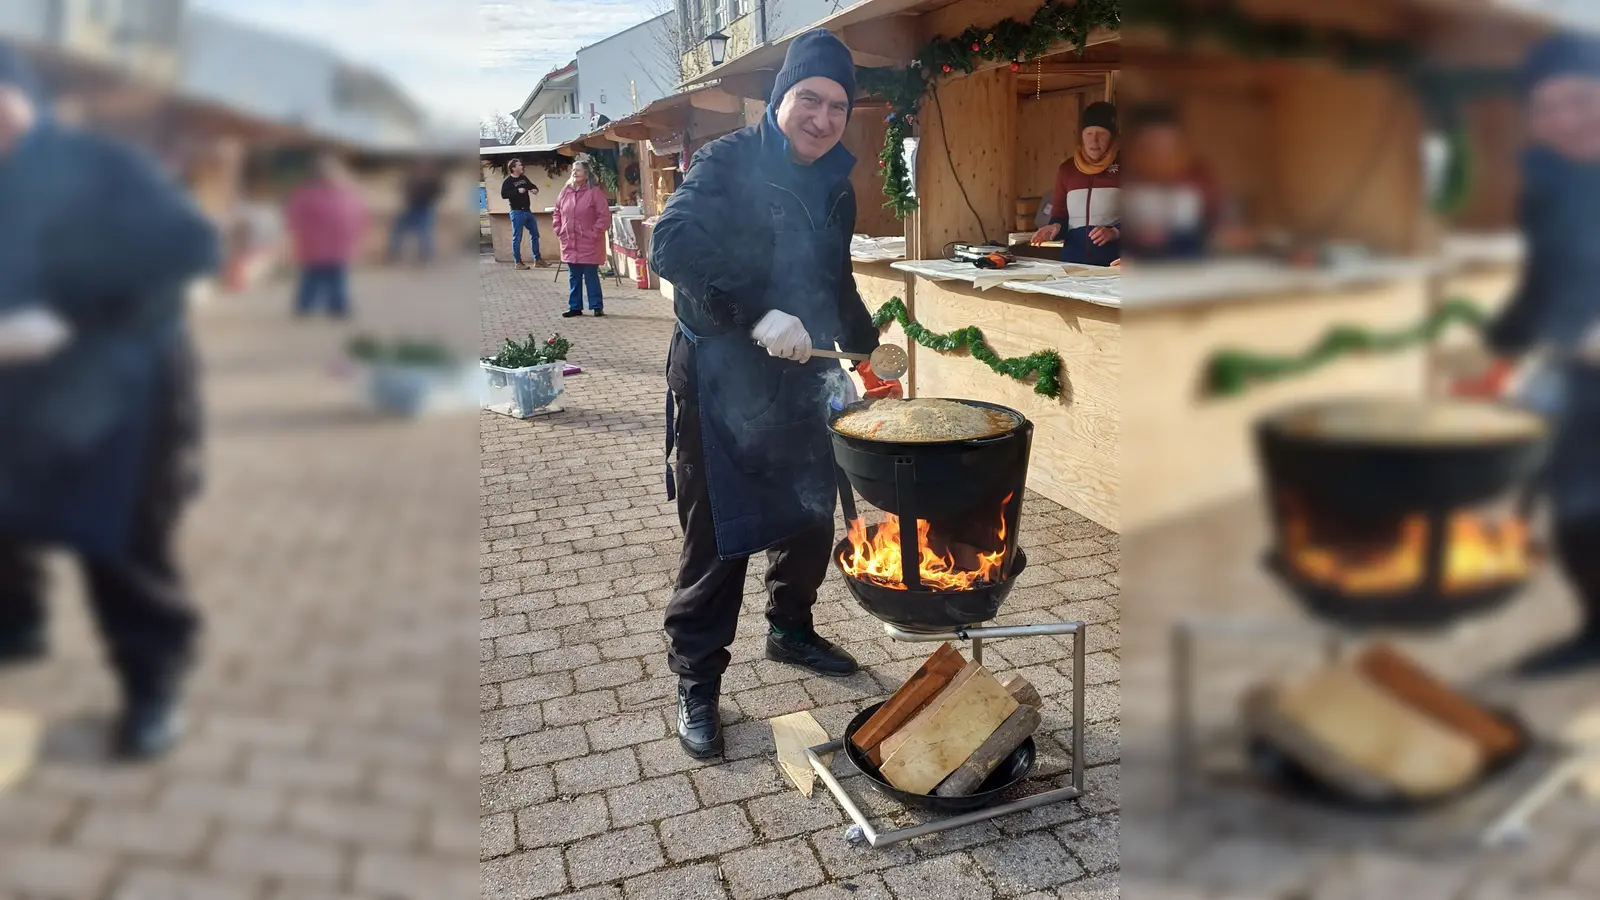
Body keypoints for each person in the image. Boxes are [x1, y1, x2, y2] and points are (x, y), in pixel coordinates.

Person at [650, 29, 904, 759]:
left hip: (800, 375)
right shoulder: (728, 161)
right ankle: (696, 678)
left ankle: (791, 629)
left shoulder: (835, 185)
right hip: (719, 376)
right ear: (780, 99)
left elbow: (835, 279)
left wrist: (866, 351)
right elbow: (669, 244)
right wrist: (757, 307)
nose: (822, 118)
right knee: (720, 537)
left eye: (836, 106)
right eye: (809, 100)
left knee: (807, 514)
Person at [0, 45, 221, 758]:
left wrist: (68, 316)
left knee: (121, 542)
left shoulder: (100, 166)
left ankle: (153, 681)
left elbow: (187, 247)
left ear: (22, 95)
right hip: (18, 392)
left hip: (121, 387)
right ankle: (18, 621)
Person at [1466, 33, 1600, 676]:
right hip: (1580, 379)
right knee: (1577, 515)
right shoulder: (1549, 185)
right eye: (1546, 110)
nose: (1563, 121)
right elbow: (1542, 284)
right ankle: (1597, 631)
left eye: (1577, 99)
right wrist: (1498, 351)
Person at [1120, 104, 1225, 261]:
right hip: (1143, 260)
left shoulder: (1197, 174)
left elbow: (1215, 221)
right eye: (1150, 140)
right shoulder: (1131, 175)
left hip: (1191, 258)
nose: (1158, 147)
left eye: (1164, 139)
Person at [1032, 101, 1121, 266]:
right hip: (1073, 263)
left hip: (1114, 265)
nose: (1094, 141)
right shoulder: (1067, 170)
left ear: (1112, 137)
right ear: (1081, 135)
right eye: (1089, 133)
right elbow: (1060, 214)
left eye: (1101, 134)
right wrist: (1055, 227)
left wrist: (1115, 232)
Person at [285, 154, 368, 318]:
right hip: (316, 245)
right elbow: (295, 217)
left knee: (337, 279)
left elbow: (360, 215)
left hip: (339, 246)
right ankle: (305, 305)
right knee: (312, 278)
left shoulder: (347, 192)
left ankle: (338, 306)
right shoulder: (307, 194)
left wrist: (358, 235)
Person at [552, 159, 610, 318]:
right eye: (573, 170)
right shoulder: (565, 191)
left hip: (589, 242)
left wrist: (594, 233)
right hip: (570, 241)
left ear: (586, 173)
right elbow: (557, 212)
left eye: (578, 170)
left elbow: (604, 216)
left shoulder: (594, 192)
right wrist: (559, 229)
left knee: (591, 276)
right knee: (574, 277)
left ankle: (597, 306)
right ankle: (575, 306)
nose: (574, 172)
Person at [389, 159, 442, 265]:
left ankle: (424, 257)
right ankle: (395, 254)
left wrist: (426, 199)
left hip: (423, 208)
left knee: (423, 233)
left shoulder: (430, 180)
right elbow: (405, 188)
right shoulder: (414, 178)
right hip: (411, 207)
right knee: (400, 230)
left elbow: (437, 192)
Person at [501, 158, 548, 269]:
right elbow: (503, 194)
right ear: (513, 168)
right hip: (517, 212)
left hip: (528, 211)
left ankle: (538, 260)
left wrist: (534, 189)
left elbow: (532, 186)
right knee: (517, 238)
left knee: (535, 235)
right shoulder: (508, 182)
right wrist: (517, 191)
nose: (522, 166)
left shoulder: (524, 178)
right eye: (519, 165)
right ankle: (518, 262)